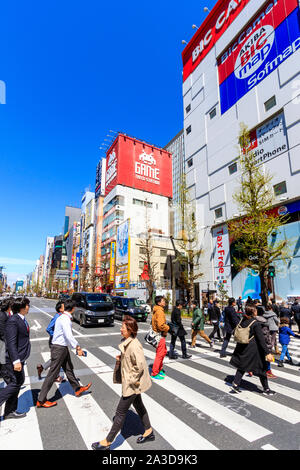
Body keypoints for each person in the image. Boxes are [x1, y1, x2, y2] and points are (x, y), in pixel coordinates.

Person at [91, 316, 153, 450]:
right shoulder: (128, 342)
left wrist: (130, 380)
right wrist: (122, 359)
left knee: (120, 412)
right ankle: (149, 431)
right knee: (139, 405)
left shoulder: (134, 345)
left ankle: (107, 442)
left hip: (133, 384)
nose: (120, 329)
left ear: (130, 330)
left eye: (123, 328)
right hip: (133, 383)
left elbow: (140, 365)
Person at [36, 299, 91, 408]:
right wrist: (78, 347)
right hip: (59, 348)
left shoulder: (62, 317)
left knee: (68, 368)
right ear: (73, 309)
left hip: (61, 347)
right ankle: (41, 400)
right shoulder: (65, 319)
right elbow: (68, 335)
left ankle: (77, 389)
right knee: (52, 374)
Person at [230, 305, 276, 395]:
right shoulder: (255, 323)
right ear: (253, 312)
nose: (256, 312)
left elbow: (234, 332)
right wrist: (267, 352)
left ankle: (235, 384)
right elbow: (261, 339)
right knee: (262, 368)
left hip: (242, 347)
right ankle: (266, 389)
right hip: (253, 349)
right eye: (255, 310)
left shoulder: (242, 321)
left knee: (242, 367)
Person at [0, 297, 31, 419]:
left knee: (18, 382)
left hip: (20, 356)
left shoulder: (20, 319)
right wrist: (16, 360)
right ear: (22, 308)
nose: (29, 307)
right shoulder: (13, 320)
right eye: (27, 305)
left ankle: (9, 411)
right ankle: (8, 408)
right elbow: (11, 343)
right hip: (13, 359)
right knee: (16, 382)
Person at [36, 300, 65, 382]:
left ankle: (42, 367)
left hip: (56, 340)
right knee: (57, 359)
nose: (65, 307)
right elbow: (48, 328)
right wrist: (55, 335)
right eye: (64, 306)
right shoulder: (57, 317)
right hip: (55, 341)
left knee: (56, 358)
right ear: (60, 309)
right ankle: (55, 376)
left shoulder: (61, 316)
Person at [150, 296, 170, 380]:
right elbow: (161, 325)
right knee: (160, 354)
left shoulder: (157, 310)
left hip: (158, 334)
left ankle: (159, 369)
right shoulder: (160, 311)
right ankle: (155, 373)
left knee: (163, 352)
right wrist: (168, 328)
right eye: (163, 301)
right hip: (159, 335)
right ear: (159, 303)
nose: (164, 302)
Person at [256, 309, 277, 379]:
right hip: (265, 344)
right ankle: (268, 371)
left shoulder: (254, 321)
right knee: (267, 357)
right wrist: (270, 344)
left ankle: (253, 369)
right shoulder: (264, 323)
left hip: (256, 343)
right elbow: (266, 336)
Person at [0, 298, 13, 383]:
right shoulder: (2, 316)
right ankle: (9, 383)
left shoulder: (4, 314)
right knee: (3, 364)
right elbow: (2, 333)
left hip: (3, 343)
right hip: (2, 344)